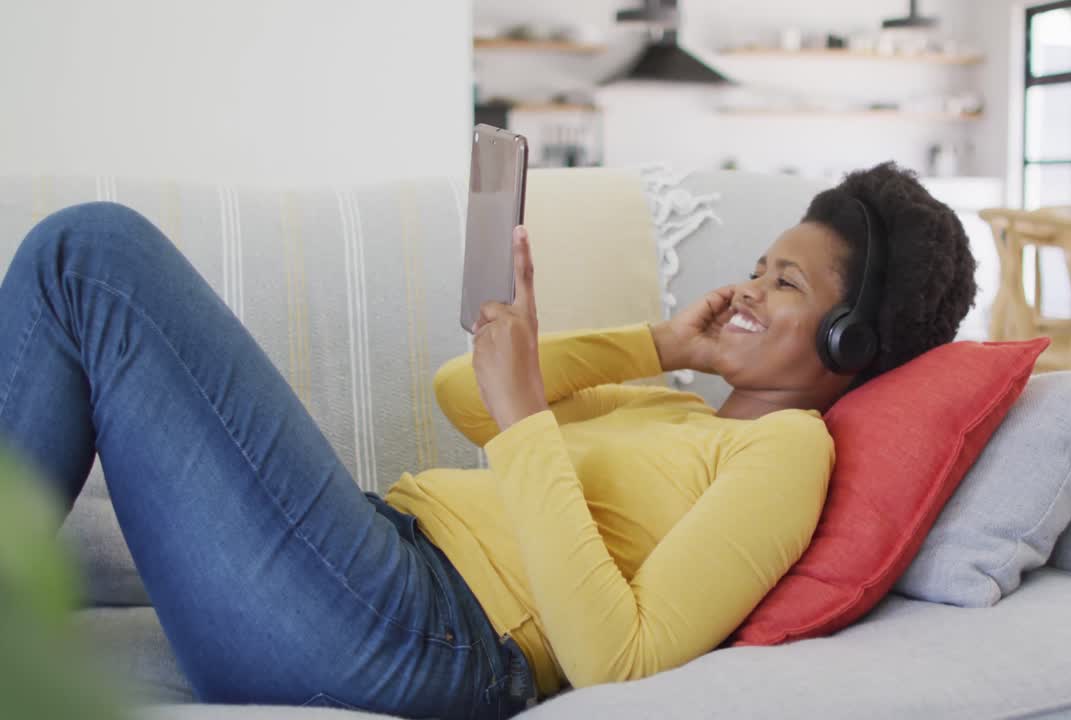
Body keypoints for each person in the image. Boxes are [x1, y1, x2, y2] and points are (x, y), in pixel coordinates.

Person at [0, 162, 975, 719]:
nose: (750, 290)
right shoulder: (677, 410)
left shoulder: (784, 453)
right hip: (369, 570)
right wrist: (656, 343)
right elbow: (464, 392)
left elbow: (619, 661)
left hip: (408, 627)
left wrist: (525, 421)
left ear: (854, 343)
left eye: (787, 284)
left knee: (93, 256)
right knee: (81, 271)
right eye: (759, 266)